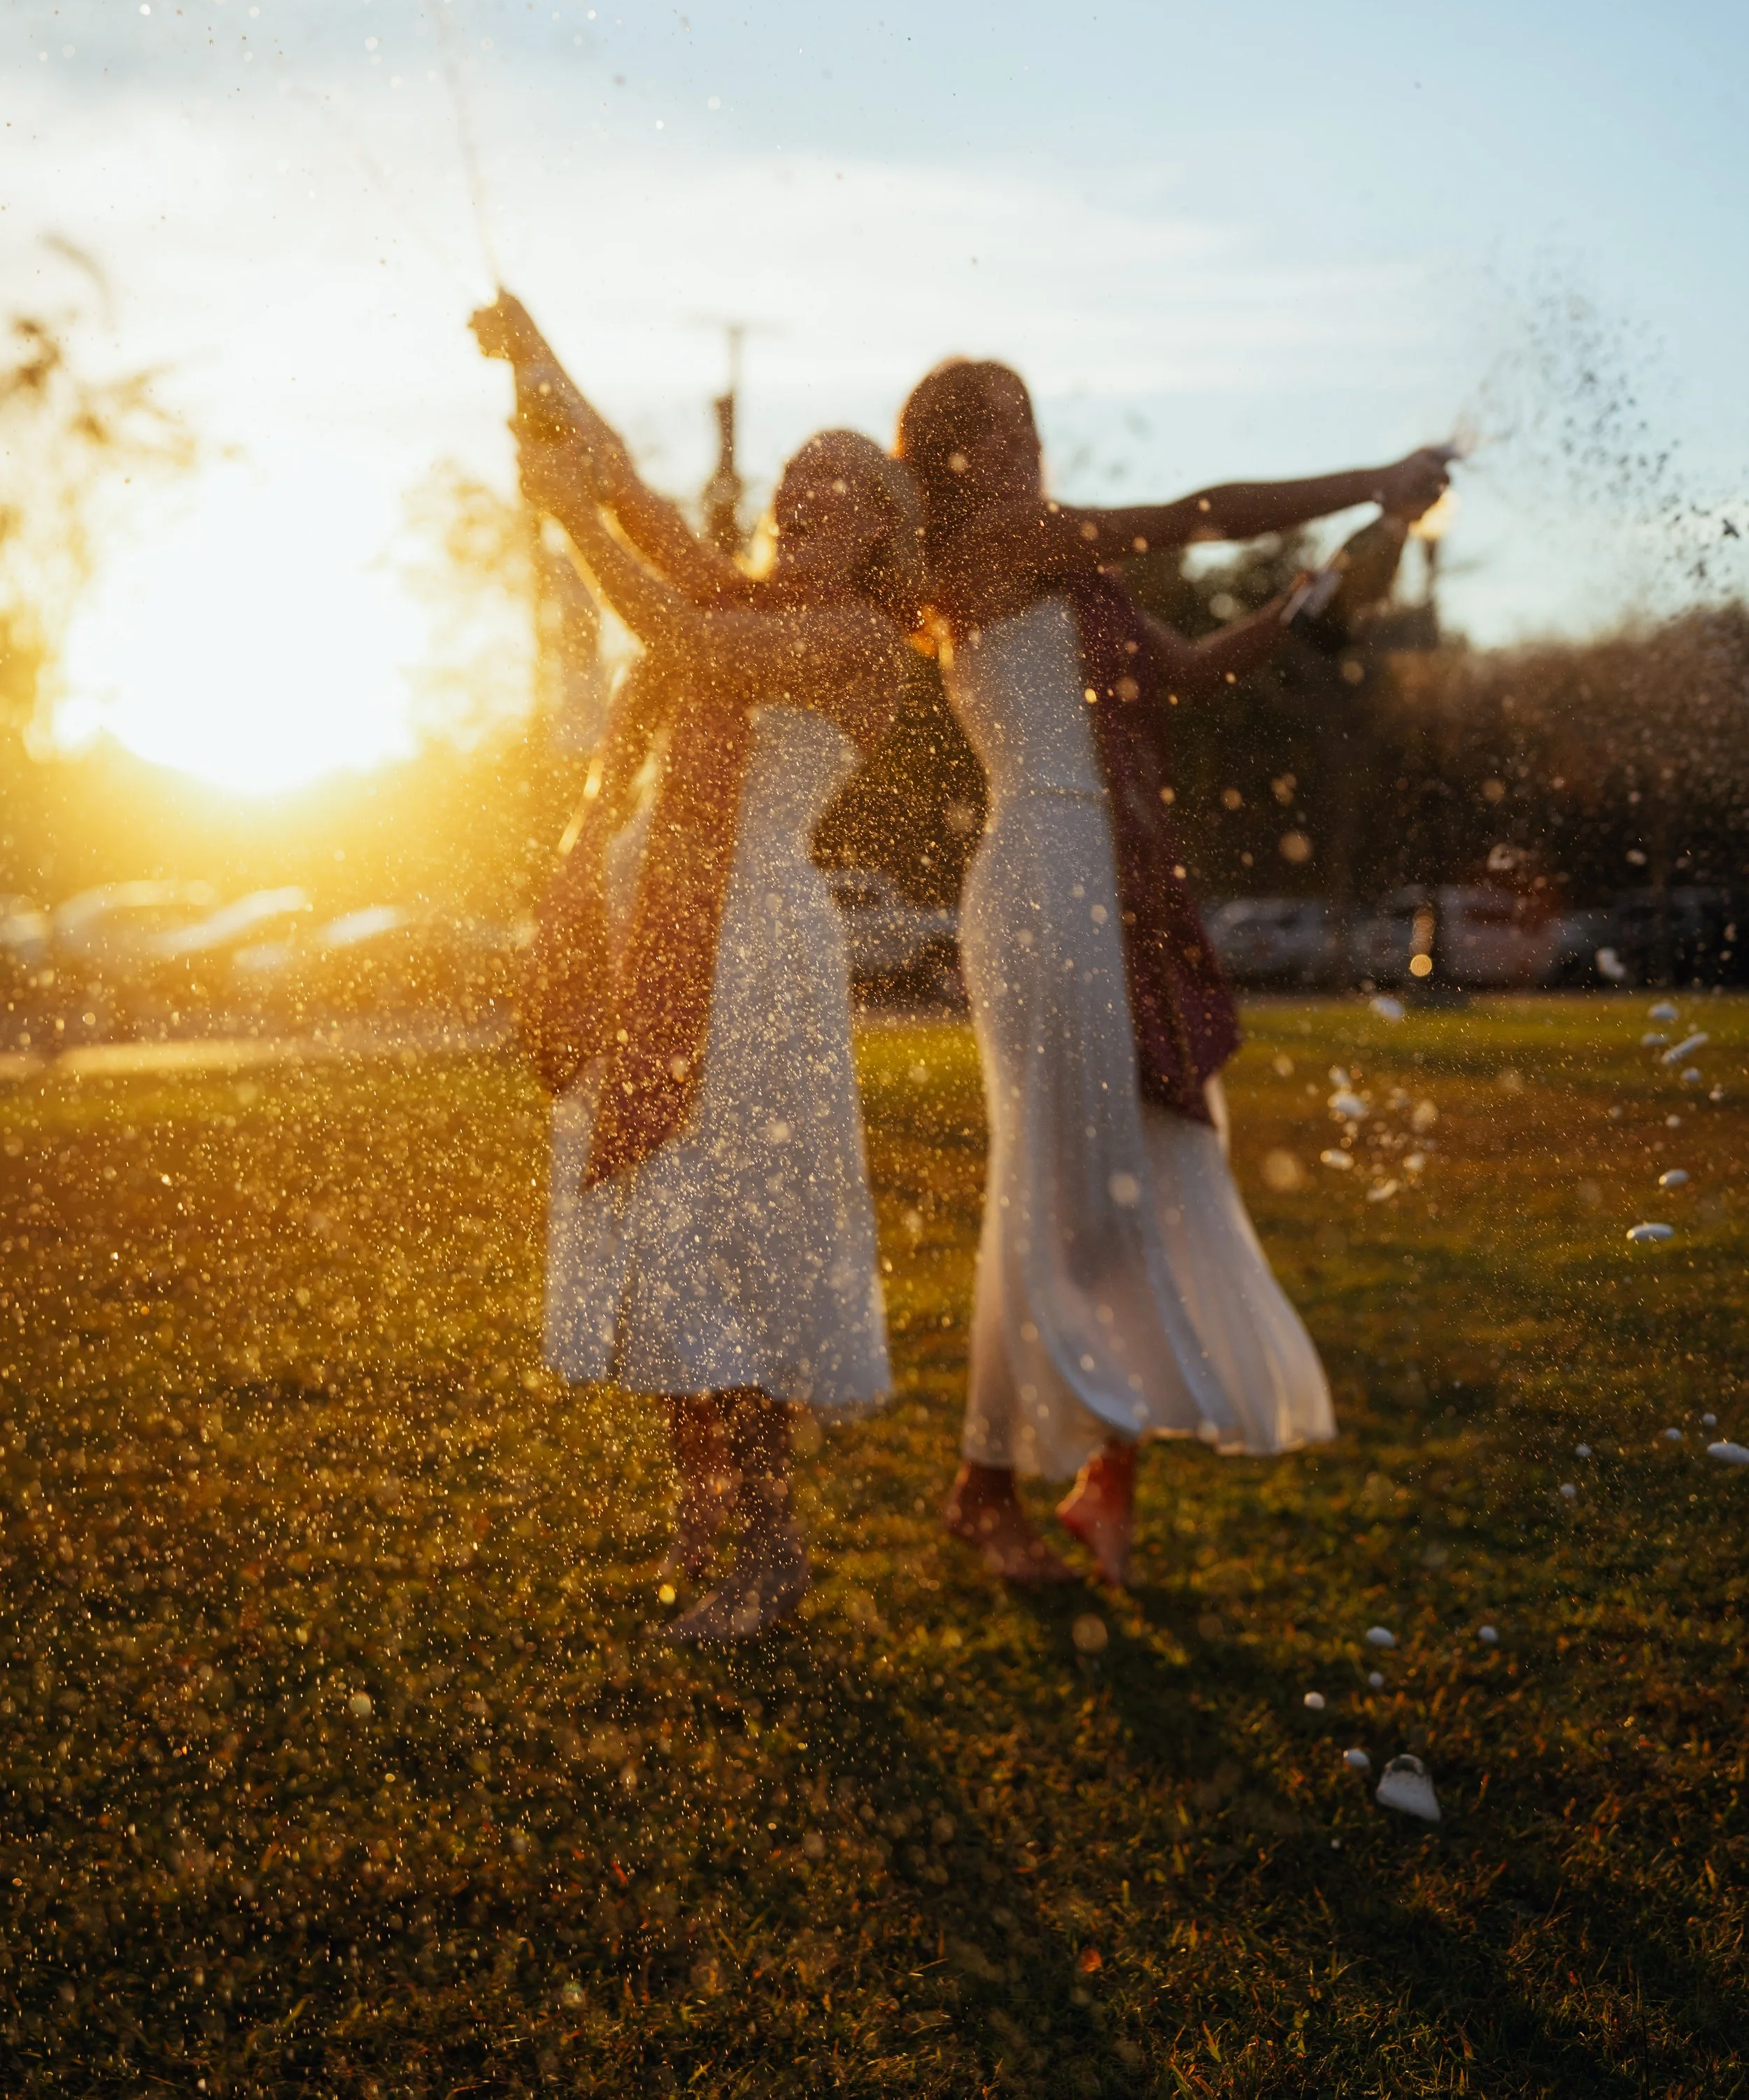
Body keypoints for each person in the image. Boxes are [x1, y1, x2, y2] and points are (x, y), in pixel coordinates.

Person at [895, 358, 1451, 1586]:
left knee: (1145, 1168)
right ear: (949, 457)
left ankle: (1110, 1473)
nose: (1025, 447)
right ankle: (984, 1490)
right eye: (998, 430)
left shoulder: (1066, 575)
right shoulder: (998, 543)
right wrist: (1371, 474)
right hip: (1044, 870)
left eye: (1031, 425)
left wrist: (1322, 594)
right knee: (1062, 1186)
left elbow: (1190, 673)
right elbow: (1197, 510)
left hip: (1120, 877)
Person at [472, 294, 922, 1640]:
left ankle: (772, 1548)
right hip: (662, 945)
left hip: (753, 959)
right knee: (674, 1220)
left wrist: (563, 519)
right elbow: (624, 476)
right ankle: (706, 1516)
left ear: (886, 526)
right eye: (796, 476)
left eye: (837, 483)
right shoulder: (742, 588)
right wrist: (536, 355)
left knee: (724, 1234)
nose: (804, 493)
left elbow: (686, 641)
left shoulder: (859, 643)